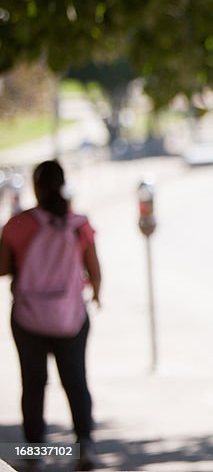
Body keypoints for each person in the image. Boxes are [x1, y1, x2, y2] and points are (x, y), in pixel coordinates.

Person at [0, 160, 101, 472]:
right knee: (76, 380)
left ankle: (34, 454)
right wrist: (96, 294)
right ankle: (83, 446)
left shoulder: (19, 225)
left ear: (35, 187)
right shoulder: (78, 224)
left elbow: (1, 267)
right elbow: (94, 268)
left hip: (28, 317)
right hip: (71, 316)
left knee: (32, 384)